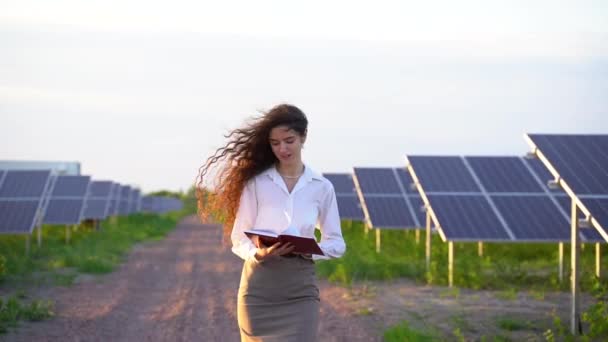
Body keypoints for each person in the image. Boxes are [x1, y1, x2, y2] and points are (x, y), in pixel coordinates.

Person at [196, 104, 346, 341]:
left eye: (289, 140)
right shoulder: (257, 184)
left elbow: (336, 243)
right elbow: (238, 239)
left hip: (300, 289)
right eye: (275, 143)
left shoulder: (322, 186)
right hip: (259, 289)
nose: (282, 148)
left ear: (303, 137)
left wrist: (312, 251)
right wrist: (258, 253)